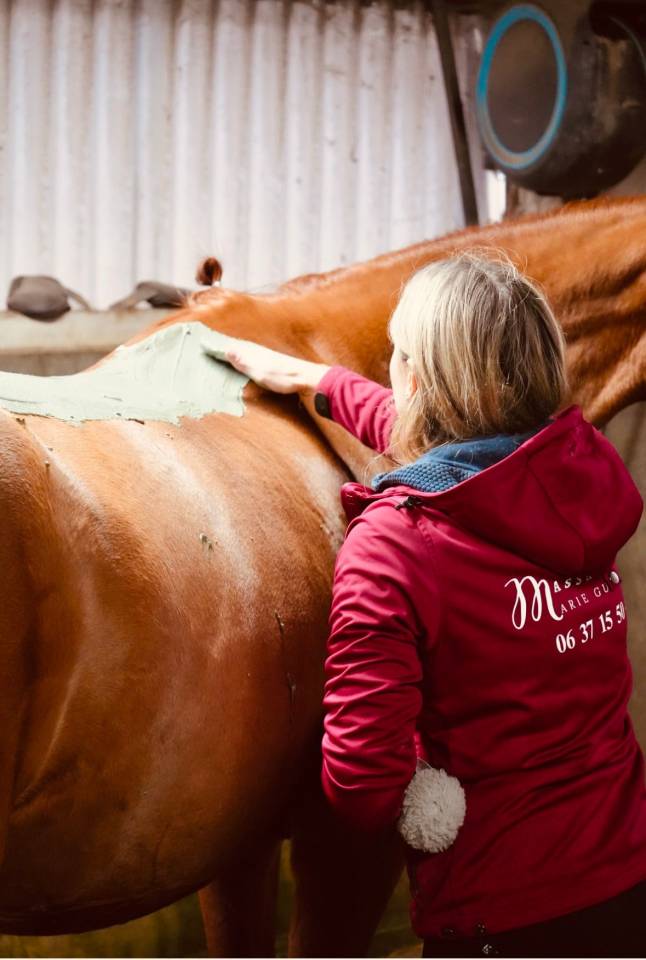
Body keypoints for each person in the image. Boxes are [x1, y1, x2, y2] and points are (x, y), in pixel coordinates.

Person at [221, 251, 646, 957]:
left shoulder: (395, 547)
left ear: (416, 378)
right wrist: (320, 382)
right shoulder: (584, 472)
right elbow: (462, 450)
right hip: (630, 874)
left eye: (398, 356)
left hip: (503, 919)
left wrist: (421, 793)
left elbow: (360, 783)